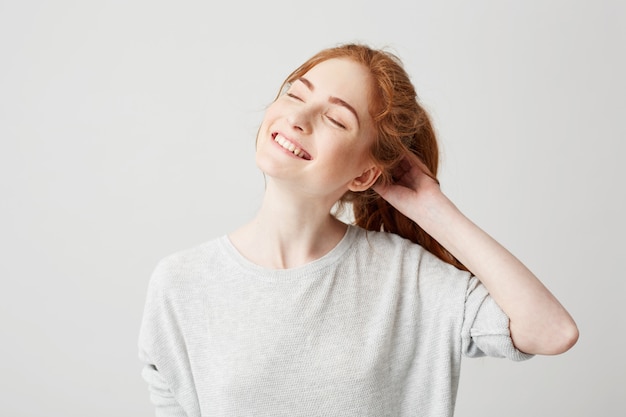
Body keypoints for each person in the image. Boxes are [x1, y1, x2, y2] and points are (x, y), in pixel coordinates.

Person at [138, 43, 578, 417]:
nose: (299, 119)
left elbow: (552, 331)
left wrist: (433, 207)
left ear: (365, 176)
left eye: (336, 119)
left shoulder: (406, 278)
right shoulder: (181, 284)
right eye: (295, 94)